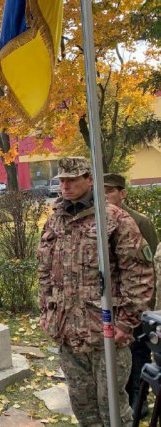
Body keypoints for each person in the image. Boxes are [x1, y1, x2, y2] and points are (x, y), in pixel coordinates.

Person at [37, 157, 154, 426]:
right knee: (82, 406)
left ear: (90, 179)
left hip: (106, 332)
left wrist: (126, 322)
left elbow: (139, 273)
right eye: (61, 180)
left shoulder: (113, 218)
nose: (64, 185)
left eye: (72, 179)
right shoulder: (56, 220)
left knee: (113, 407)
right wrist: (46, 311)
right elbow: (44, 270)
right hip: (67, 332)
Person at [103, 173, 159, 416]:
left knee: (138, 350)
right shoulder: (96, 221)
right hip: (108, 303)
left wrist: (148, 305)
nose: (105, 196)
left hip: (134, 301)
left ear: (123, 193)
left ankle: (138, 397)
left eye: (110, 191)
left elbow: (151, 264)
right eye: (101, 191)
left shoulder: (139, 221)